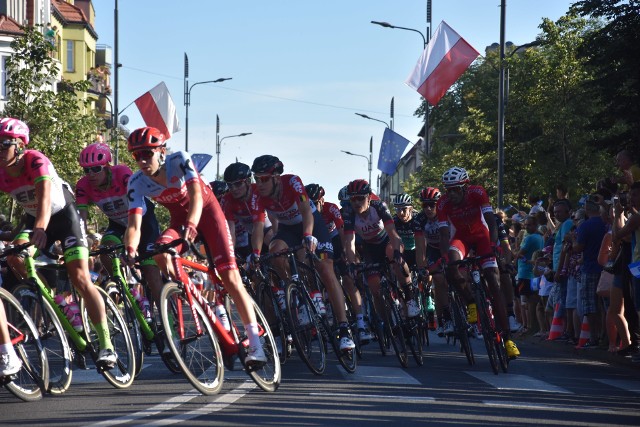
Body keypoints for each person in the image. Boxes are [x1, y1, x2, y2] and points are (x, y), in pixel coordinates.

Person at [123, 126, 267, 365]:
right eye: (136, 156)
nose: (142, 160)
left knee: (230, 278)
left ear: (162, 151)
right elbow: (134, 226)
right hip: (180, 220)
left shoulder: (179, 160)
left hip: (208, 214)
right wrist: (129, 249)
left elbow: (197, 196)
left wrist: (192, 223)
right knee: (158, 252)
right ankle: (186, 290)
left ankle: (256, 344)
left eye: (147, 153)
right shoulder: (136, 182)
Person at [0, 118, 117, 368]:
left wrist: (41, 228)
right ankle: (54, 299)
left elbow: (43, 197)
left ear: (20, 145)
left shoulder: (35, 159)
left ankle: (106, 344)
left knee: (80, 278)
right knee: (14, 256)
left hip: (64, 217)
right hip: (34, 218)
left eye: (4, 144)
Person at [248, 155, 355, 351]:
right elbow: (257, 227)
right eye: (257, 178)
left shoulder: (292, 182)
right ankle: (294, 295)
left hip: (312, 225)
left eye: (264, 179)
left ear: (276, 178)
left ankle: (344, 328)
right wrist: (255, 253)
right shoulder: (257, 194)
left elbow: (306, 211)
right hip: (288, 230)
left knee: (325, 268)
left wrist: (308, 235)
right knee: (274, 253)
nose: (259, 183)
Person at [436, 166, 520, 359]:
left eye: (456, 189)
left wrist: (493, 245)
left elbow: (491, 221)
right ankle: (471, 303)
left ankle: (507, 340)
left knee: (493, 278)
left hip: (482, 238)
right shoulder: (443, 203)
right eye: (448, 189)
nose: (452, 194)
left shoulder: (477, 192)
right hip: (462, 239)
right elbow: (443, 235)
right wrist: (444, 257)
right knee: (451, 267)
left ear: (465, 187)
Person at [75, 142, 163, 321]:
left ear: (107, 166)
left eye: (96, 168)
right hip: (117, 223)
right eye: (86, 170)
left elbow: (137, 201)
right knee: (106, 250)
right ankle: (128, 290)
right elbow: (81, 218)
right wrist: (81, 241)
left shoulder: (121, 173)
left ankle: (166, 315)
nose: (91, 174)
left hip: (143, 220)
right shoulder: (83, 185)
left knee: (150, 270)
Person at [342, 179, 418, 325]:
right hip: (370, 248)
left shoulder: (379, 207)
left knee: (394, 256)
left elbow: (393, 233)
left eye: (360, 198)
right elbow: (350, 242)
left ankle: (409, 298)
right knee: (374, 287)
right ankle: (387, 323)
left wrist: (397, 252)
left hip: (388, 241)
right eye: (353, 199)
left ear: (369, 198)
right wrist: (352, 263)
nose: (356, 202)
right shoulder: (349, 214)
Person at [306, 183, 371, 343]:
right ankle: (326, 315)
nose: (313, 206)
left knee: (348, 279)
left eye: (316, 202)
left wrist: (345, 255)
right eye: (310, 203)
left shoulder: (331, 208)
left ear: (322, 200)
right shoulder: (306, 211)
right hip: (318, 242)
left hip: (335, 240)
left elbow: (343, 232)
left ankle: (361, 323)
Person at [566, 196, 607, 348]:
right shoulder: (606, 223)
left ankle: (594, 338)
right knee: (604, 305)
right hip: (605, 268)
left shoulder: (585, 226)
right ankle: (606, 337)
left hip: (589, 268)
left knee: (590, 305)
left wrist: (572, 240)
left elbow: (578, 248)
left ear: (588, 210)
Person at [414, 187, 449, 336]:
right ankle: (442, 319)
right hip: (433, 250)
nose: (428, 208)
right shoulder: (419, 220)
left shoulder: (446, 213)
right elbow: (420, 246)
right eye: (424, 205)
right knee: (439, 280)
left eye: (432, 205)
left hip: (450, 246)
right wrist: (422, 266)